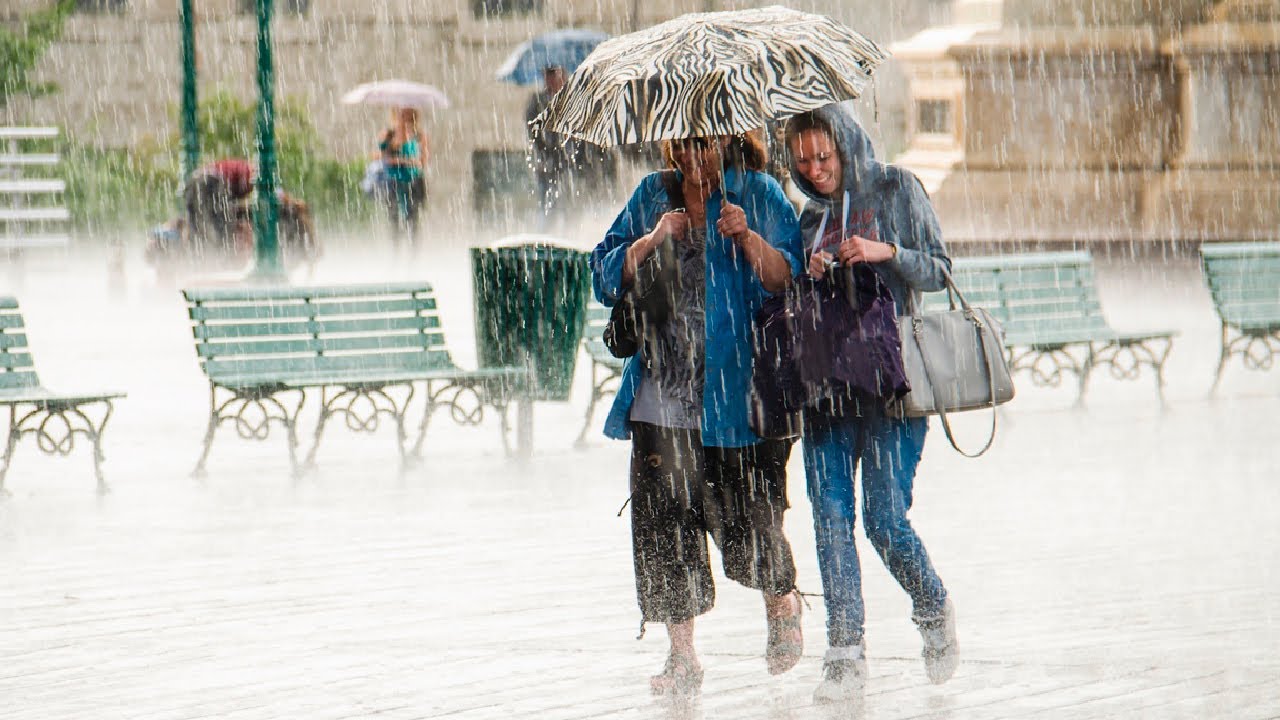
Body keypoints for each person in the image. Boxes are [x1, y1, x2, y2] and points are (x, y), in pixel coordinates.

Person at [590, 132, 805, 696]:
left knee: (748, 520)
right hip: (661, 396)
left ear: (727, 139)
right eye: (682, 143)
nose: (691, 156)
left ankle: (781, 604)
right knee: (664, 529)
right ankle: (681, 654)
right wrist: (654, 237)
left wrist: (748, 237)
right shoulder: (652, 195)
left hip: (735, 397)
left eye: (703, 144)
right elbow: (603, 275)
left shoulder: (756, 192)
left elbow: (790, 279)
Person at [784, 103, 959, 702]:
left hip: (891, 386)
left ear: (844, 145)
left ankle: (932, 606)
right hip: (827, 388)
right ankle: (845, 651)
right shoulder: (808, 217)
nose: (815, 170)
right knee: (830, 517)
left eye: (823, 157)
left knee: (884, 520)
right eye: (803, 161)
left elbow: (938, 269)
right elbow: (800, 299)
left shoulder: (895, 188)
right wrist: (811, 271)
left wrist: (886, 252)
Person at [525, 65, 574, 227]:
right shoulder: (538, 100)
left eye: (555, 75)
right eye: (548, 75)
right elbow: (533, 129)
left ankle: (569, 231)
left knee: (570, 204)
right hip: (547, 162)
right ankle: (546, 236)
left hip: (570, 162)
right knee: (548, 203)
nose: (551, 79)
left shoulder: (571, 99)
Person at [377, 106, 428, 250]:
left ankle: (412, 255)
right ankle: (395, 252)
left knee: (412, 220)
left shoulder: (418, 136)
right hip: (393, 183)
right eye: (400, 113)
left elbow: (422, 161)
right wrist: (398, 152)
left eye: (406, 113)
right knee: (393, 219)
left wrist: (407, 160)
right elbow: (381, 156)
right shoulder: (388, 134)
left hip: (413, 183)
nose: (403, 116)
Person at [184, 158, 255, 256]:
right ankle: (222, 257)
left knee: (196, 225)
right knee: (221, 226)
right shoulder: (252, 172)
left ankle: (197, 258)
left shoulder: (238, 170)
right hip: (211, 180)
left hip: (193, 180)